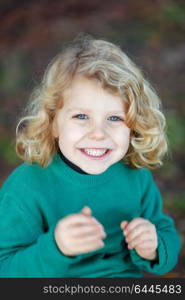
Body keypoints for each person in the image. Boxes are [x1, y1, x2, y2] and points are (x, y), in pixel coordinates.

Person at [0, 34, 181, 278]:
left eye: (115, 118)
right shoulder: (27, 187)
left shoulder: (135, 176)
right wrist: (56, 248)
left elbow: (165, 236)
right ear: (53, 123)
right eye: (81, 117)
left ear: (134, 125)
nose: (98, 134)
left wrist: (154, 246)